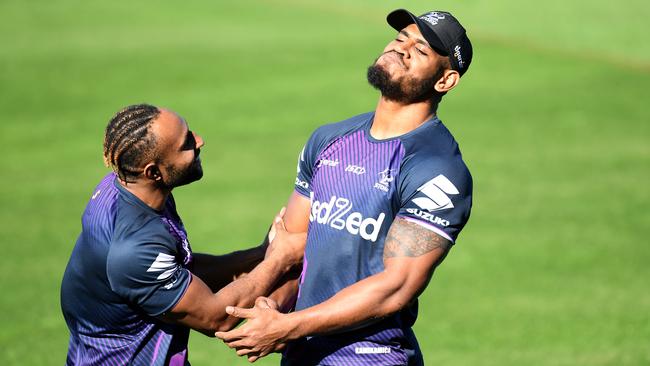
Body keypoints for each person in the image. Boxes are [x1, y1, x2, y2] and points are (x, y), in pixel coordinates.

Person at [215, 9, 474, 365]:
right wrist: (272, 307)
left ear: (445, 81)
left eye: (421, 50)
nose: (402, 48)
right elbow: (292, 249)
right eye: (401, 38)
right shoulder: (328, 139)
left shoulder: (437, 169)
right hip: (302, 351)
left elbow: (394, 288)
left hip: (371, 356)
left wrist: (288, 325)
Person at [60, 104, 303, 365]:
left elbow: (181, 269)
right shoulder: (133, 249)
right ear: (153, 172)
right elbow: (215, 317)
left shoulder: (130, 191)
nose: (199, 141)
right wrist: (279, 259)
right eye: (185, 144)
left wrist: (261, 254)